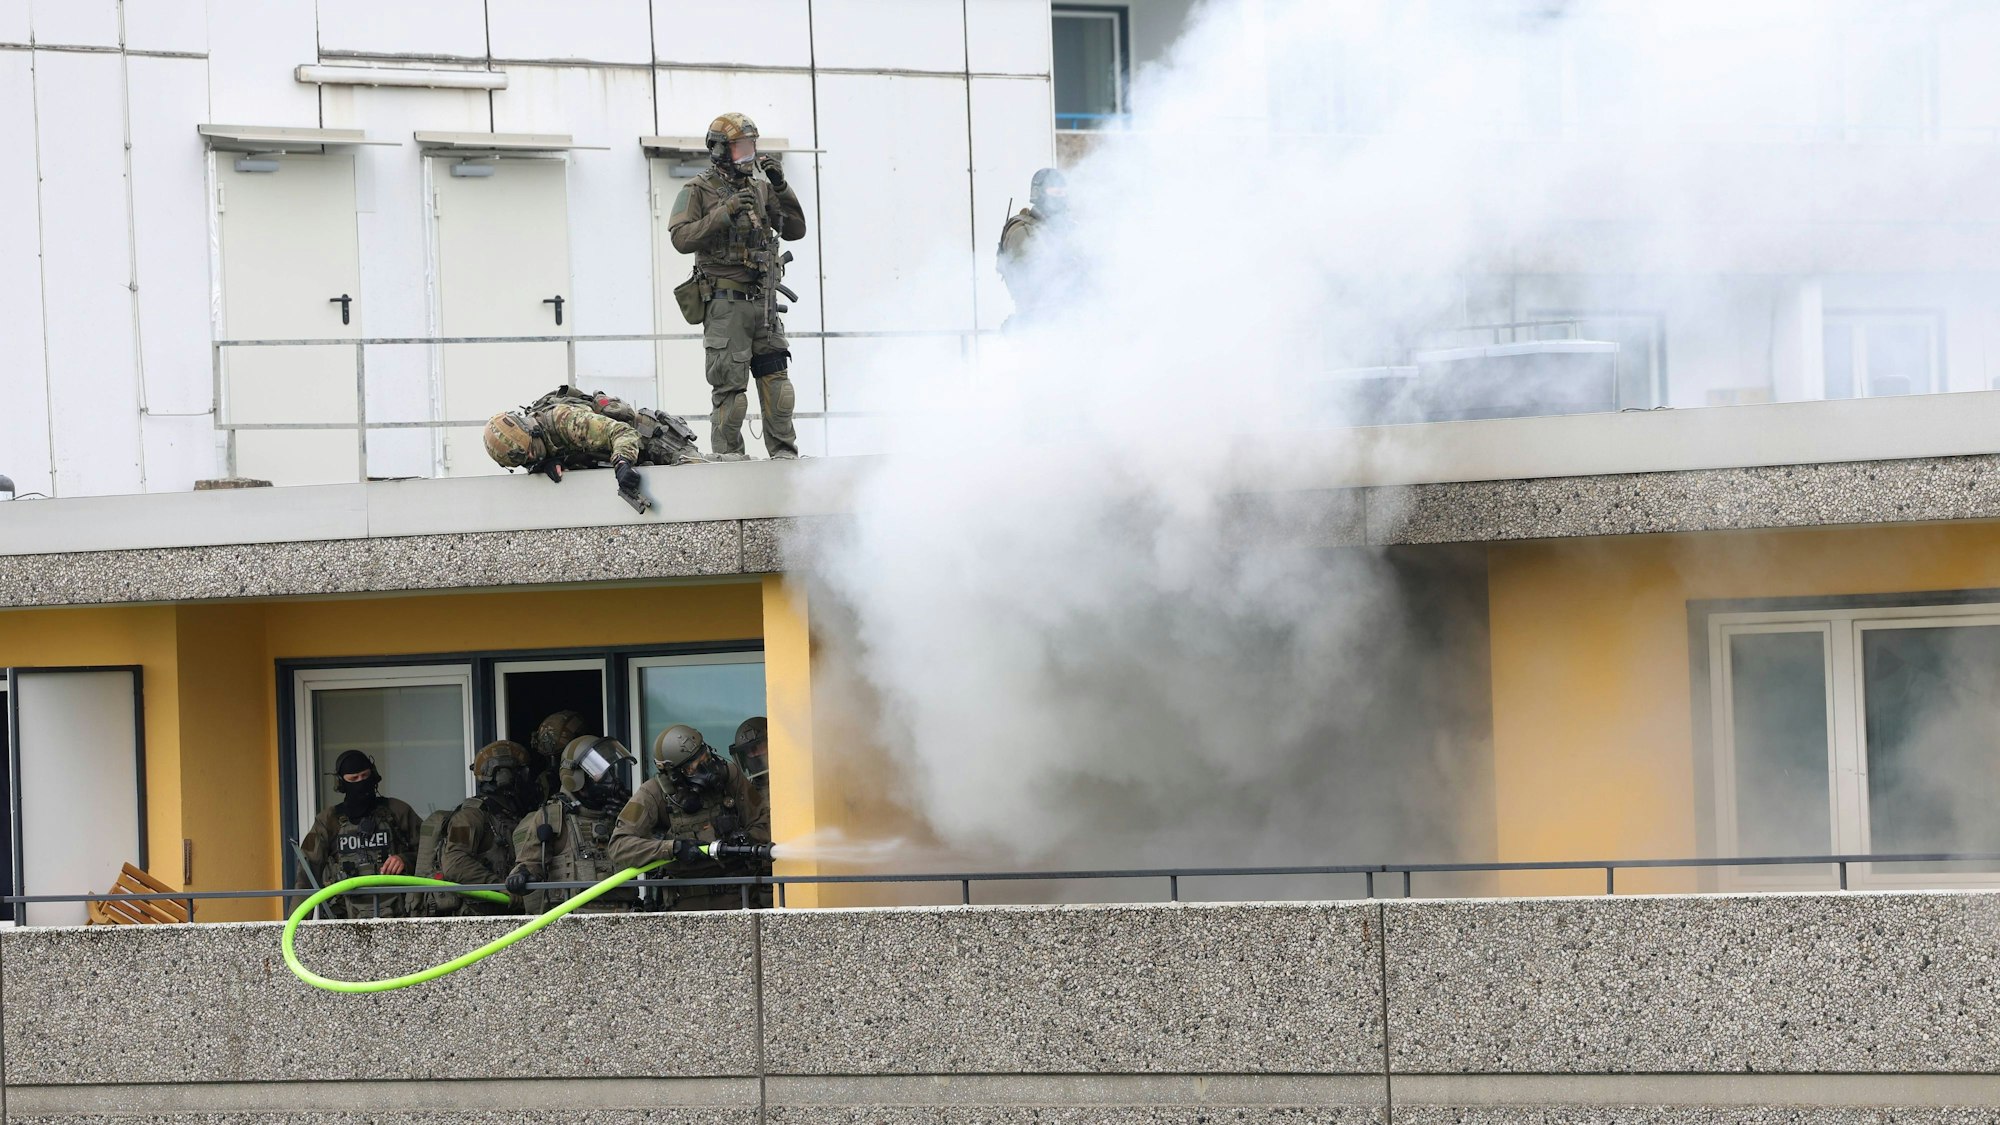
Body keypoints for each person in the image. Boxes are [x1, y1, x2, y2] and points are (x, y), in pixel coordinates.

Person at [668, 112, 808, 462]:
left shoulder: (760, 188)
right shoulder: (697, 190)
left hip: (763, 304)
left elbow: (795, 229)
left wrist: (780, 186)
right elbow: (681, 238)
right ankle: (730, 464)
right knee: (731, 393)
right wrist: (724, 212)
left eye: (751, 146)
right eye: (740, 147)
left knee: (778, 386)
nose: (748, 153)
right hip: (725, 305)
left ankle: (785, 458)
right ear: (718, 150)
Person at [609, 723, 766, 911]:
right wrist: (673, 848)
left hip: (740, 898)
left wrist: (747, 838)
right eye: (695, 766)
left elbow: (765, 821)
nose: (708, 768)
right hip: (686, 905)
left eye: (705, 756)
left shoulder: (730, 776)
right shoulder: (653, 793)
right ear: (674, 774)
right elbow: (619, 846)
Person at [505, 735, 642, 914]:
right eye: (601, 774)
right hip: (572, 922)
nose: (612, 780)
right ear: (576, 780)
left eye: (611, 772)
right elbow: (531, 862)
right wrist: (521, 875)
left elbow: (654, 849)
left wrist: (632, 820)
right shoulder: (552, 817)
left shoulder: (621, 813)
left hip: (625, 918)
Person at [298, 749, 421, 919]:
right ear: (341, 783)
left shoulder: (398, 811)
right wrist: (297, 927)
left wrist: (405, 860)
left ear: (374, 775)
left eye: (365, 776)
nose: (361, 783)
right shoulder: (327, 821)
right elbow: (306, 873)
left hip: (399, 914)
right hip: (345, 919)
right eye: (353, 779)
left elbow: (431, 855)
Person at [483, 404, 652, 512]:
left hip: (648, 438)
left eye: (530, 450)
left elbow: (623, 432)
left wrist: (622, 461)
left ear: (530, 430)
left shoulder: (566, 421)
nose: (531, 457)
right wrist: (548, 462)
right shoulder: (528, 449)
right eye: (525, 460)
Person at [439, 740, 540, 915]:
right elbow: (455, 863)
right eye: (522, 772)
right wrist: (499, 887)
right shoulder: (470, 817)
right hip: (478, 916)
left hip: (507, 913)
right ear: (504, 776)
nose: (527, 779)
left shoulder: (511, 815)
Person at [997, 167, 1076, 328]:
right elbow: (1036, 277)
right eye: (1054, 191)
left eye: (1063, 192)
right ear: (1038, 193)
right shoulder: (1021, 230)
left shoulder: (1069, 229)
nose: (1060, 196)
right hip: (1037, 323)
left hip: (1073, 320)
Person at [728, 717, 774, 907]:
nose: (753, 755)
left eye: (757, 747)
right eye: (747, 752)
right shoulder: (744, 793)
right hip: (757, 881)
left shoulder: (792, 786)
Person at [528, 710, 589, 799]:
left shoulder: (593, 777)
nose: (554, 764)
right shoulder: (544, 782)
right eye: (549, 758)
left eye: (559, 756)